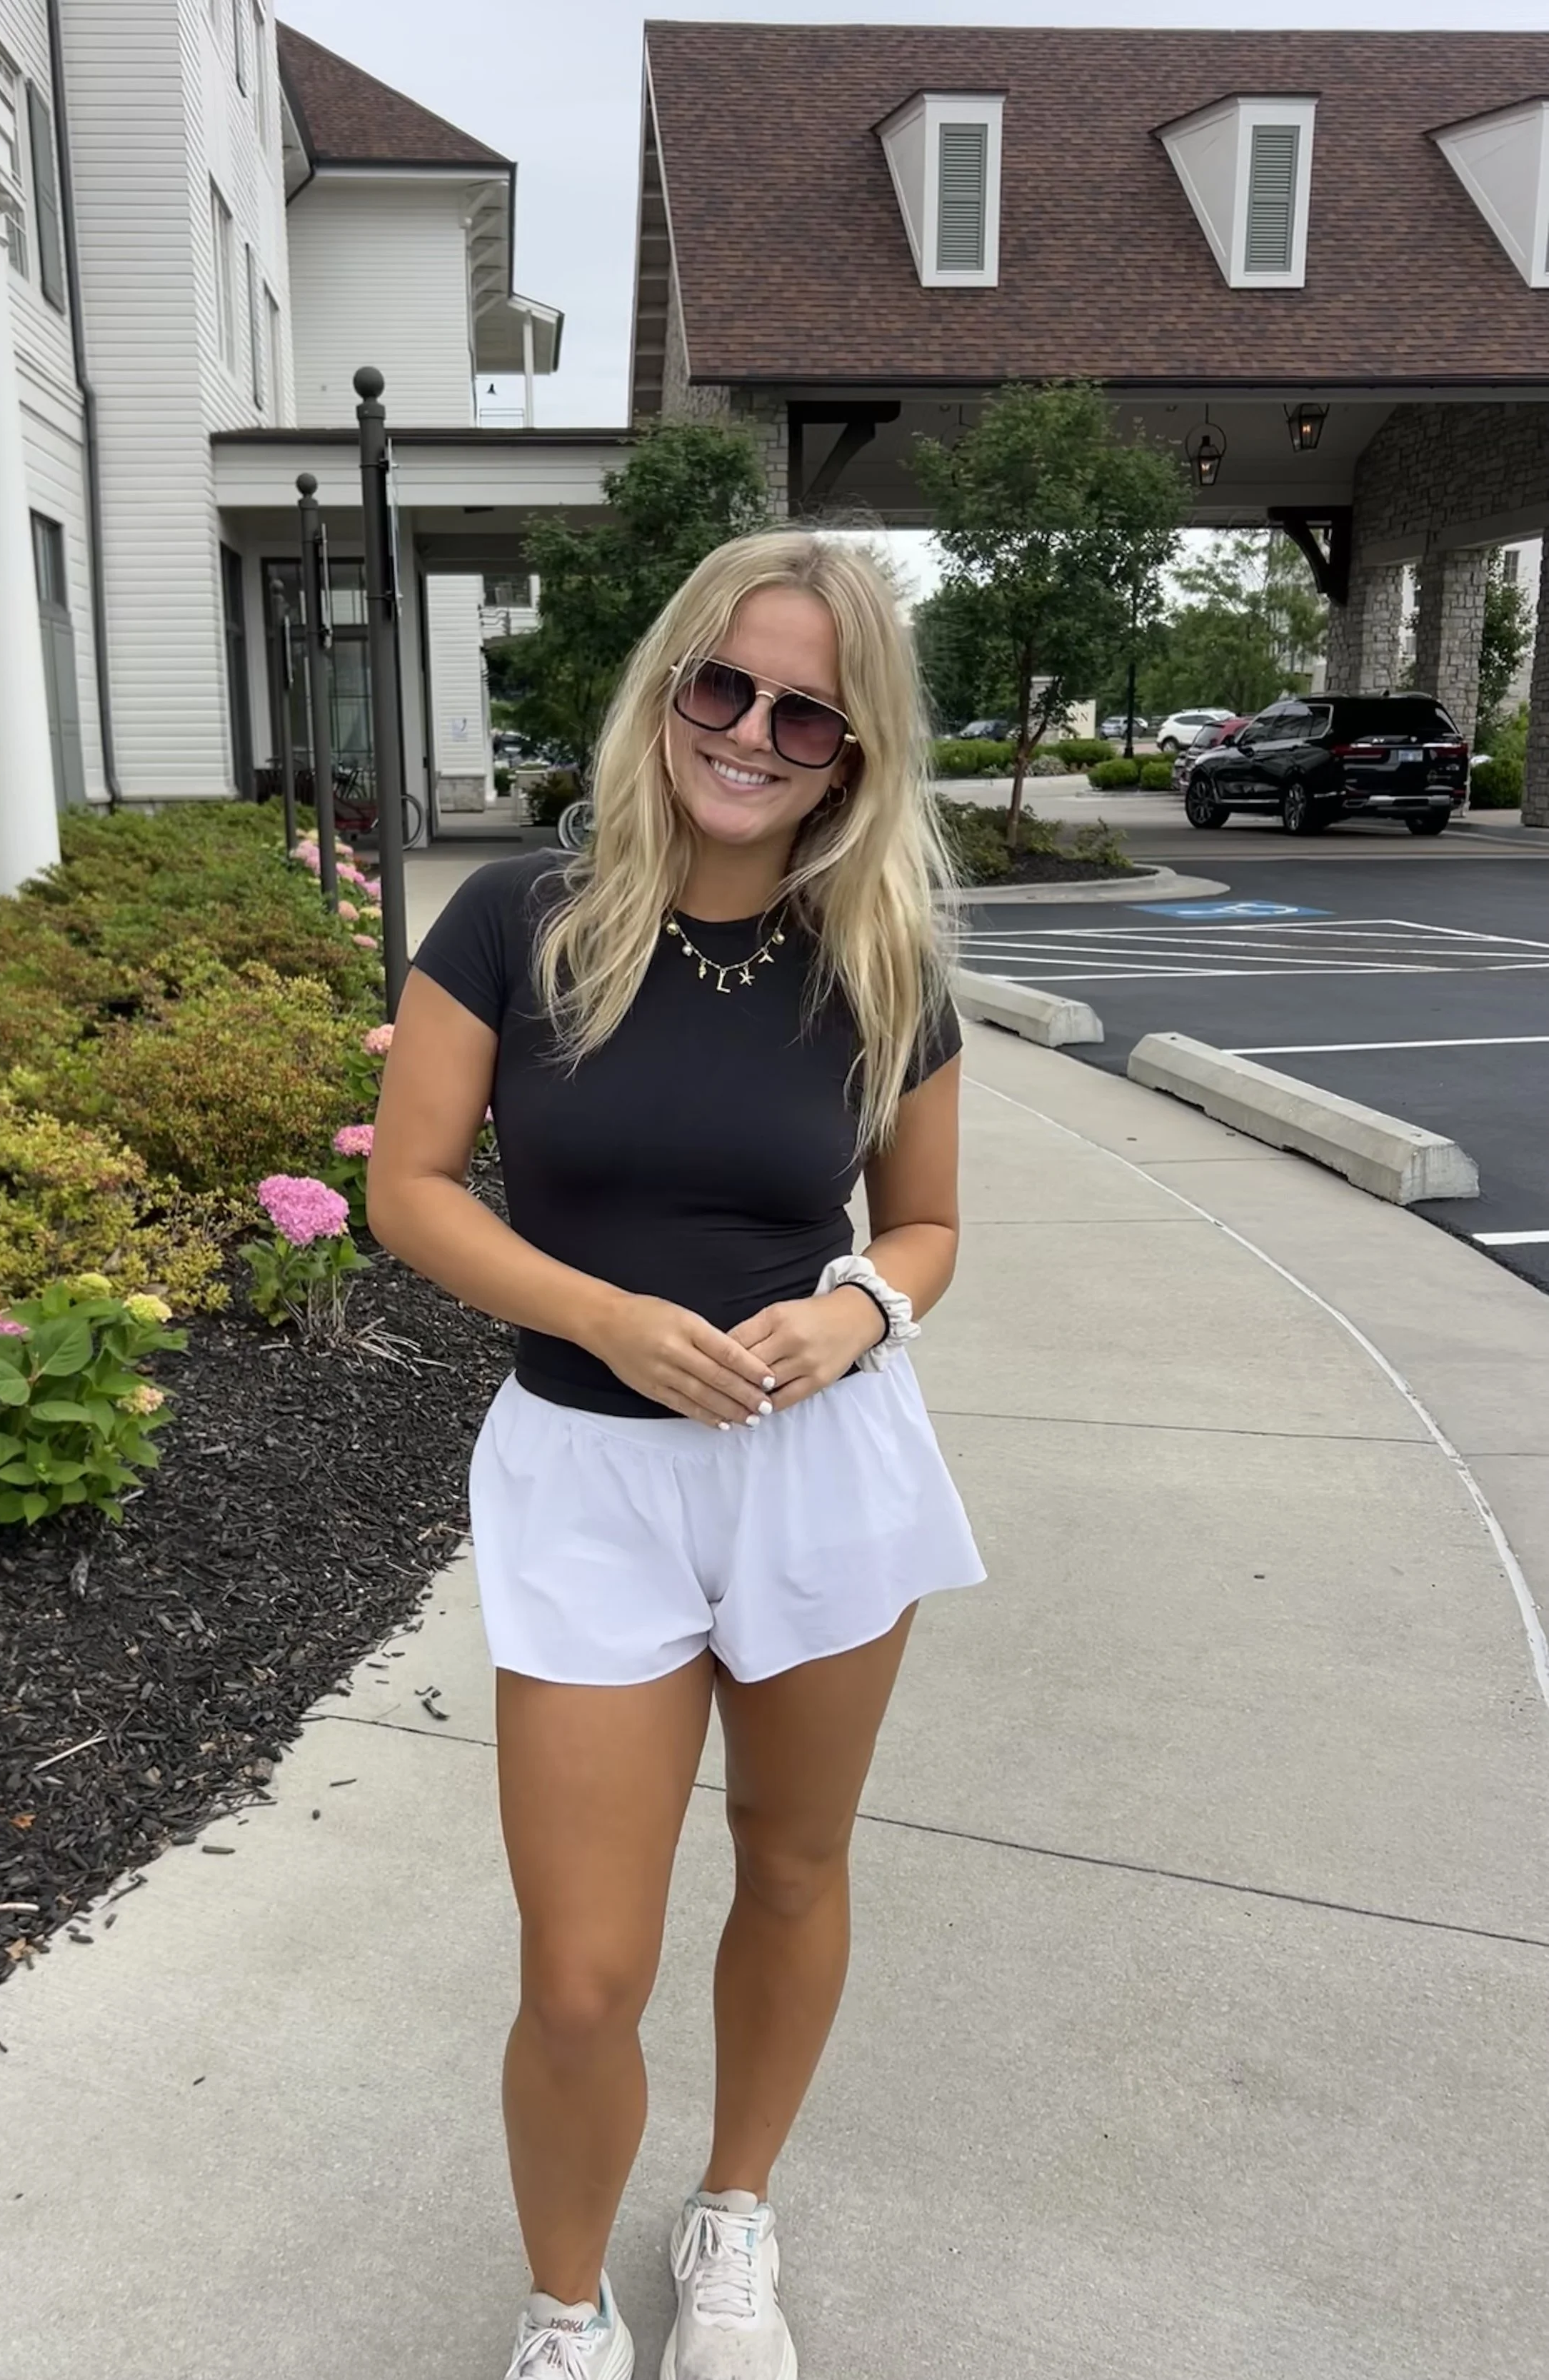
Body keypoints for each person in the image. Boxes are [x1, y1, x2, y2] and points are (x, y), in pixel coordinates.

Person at [366, 528, 986, 2380]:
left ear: (851, 752)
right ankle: (565, 2313)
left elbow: (932, 1225)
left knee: (790, 1865)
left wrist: (860, 1307)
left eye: (802, 712)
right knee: (581, 1970)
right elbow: (405, 1188)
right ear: (666, 683)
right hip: (589, 1476)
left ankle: (732, 2213)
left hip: (820, 1473)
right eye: (719, 683)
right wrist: (599, 1312)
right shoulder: (517, 916)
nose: (747, 731)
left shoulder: (876, 950)